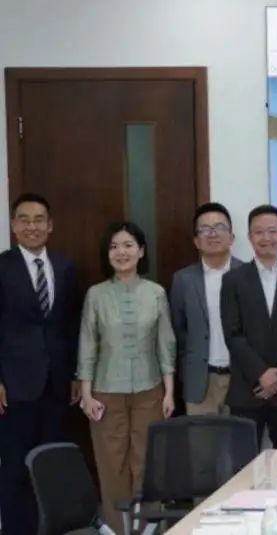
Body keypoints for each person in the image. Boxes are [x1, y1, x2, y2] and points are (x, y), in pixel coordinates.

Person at [77, 221, 175, 532]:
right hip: (105, 392)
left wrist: (169, 392)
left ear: (141, 251)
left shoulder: (156, 293)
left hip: (150, 390)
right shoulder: (96, 294)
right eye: (114, 246)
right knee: (112, 463)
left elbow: (165, 344)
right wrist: (86, 394)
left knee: (147, 462)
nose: (122, 252)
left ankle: (148, 527)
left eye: (128, 245)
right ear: (107, 254)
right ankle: (116, 528)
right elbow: (88, 345)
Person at [0, 193, 79, 535]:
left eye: (38, 220)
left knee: (53, 467)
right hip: (14, 386)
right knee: (15, 470)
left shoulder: (65, 266)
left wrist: (75, 374)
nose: (31, 226)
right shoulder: (2, 266)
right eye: (24, 219)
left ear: (50, 225)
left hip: (57, 385)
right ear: (14, 225)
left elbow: (71, 324)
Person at [221, 205, 277, 447]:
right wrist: (261, 374)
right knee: (243, 462)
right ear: (250, 237)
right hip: (247, 390)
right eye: (259, 232)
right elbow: (233, 334)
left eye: (272, 231)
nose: (266, 238)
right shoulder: (233, 280)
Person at [170, 202, 243, 415]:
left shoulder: (248, 274)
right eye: (204, 229)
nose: (212, 234)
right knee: (202, 437)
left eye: (220, 227)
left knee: (242, 437)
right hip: (200, 381)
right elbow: (178, 330)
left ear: (231, 237)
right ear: (196, 241)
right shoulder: (183, 280)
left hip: (241, 380)